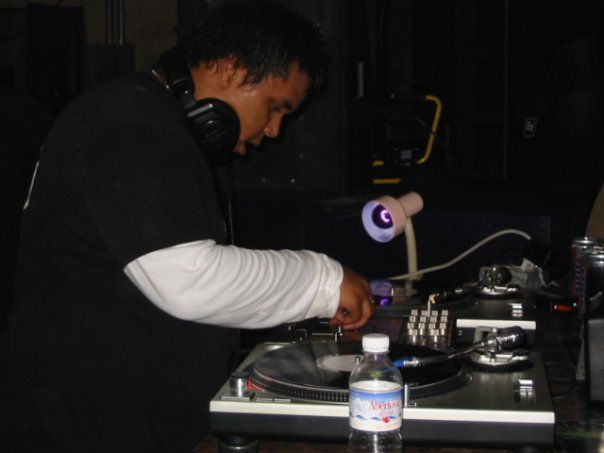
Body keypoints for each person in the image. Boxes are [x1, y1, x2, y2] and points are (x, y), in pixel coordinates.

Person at [0, 1, 373, 452]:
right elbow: (188, 279)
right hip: (82, 428)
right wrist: (326, 280)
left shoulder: (144, 119)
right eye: (275, 107)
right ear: (232, 69)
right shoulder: (129, 125)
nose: (275, 129)